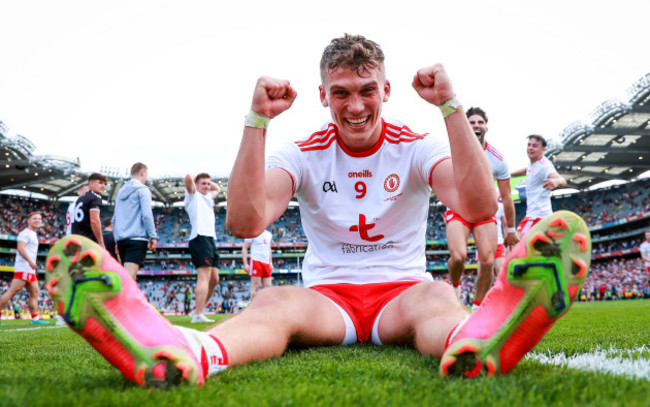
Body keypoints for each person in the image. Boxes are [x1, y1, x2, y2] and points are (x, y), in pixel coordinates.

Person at [44, 34, 592, 386]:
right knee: (276, 301)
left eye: (366, 90)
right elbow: (246, 222)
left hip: (401, 292)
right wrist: (257, 119)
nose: (355, 105)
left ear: (387, 89)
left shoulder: (417, 143)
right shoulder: (301, 151)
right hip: (326, 299)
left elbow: (476, 205)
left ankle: (479, 337)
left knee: (437, 295)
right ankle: (182, 349)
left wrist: (450, 105)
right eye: (341, 93)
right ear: (323, 95)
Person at [444, 107, 518, 311]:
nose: (476, 126)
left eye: (480, 122)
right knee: (458, 256)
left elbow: (507, 196)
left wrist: (511, 230)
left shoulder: (498, 159)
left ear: (486, 126)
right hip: (459, 209)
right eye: (471, 123)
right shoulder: (453, 150)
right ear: (465, 127)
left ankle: (477, 308)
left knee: (487, 261)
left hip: (485, 213)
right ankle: (456, 290)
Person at [511, 135, 567, 235]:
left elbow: (563, 180)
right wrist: (507, 175)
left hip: (536, 217)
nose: (530, 148)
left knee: (514, 243)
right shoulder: (533, 163)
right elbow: (527, 170)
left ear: (543, 149)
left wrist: (557, 181)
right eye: (529, 145)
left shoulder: (545, 165)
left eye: (535, 146)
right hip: (541, 216)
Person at [0, 212, 49, 325]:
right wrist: (31, 262)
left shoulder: (33, 234)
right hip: (23, 268)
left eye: (39, 219)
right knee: (12, 292)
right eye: (34, 218)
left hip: (30, 270)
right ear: (28, 221)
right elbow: (20, 248)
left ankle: (35, 318)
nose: (37, 220)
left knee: (35, 292)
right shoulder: (24, 233)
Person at [184, 172, 221, 323]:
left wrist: (207, 183)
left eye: (208, 183)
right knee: (204, 277)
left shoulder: (208, 197)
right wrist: (194, 180)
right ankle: (199, 314)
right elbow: (187, 178)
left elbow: (217, 188)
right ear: (196, 184)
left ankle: (197, 310)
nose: (207, 186)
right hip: (200, 237)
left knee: (214, 279)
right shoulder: (193, 196)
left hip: (211, 239)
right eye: (203, 183)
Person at [112, 162, 158, 280]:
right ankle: (119, 299)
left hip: (122, 240)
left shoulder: (120, 193)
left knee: (128, 277)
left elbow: (115, 219)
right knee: (128, 279)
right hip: (136, 240)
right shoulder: (143, 190)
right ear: (142, 172)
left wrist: (117, 240)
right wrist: (153, 236)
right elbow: (147, 215)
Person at [71, 173, 107, 247]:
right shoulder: (95, 197)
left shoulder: (81, 198)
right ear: (91, 184)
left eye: (104, 183)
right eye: (100, 183)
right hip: (88, 241)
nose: (103, 186)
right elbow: (94, 221)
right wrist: (101, 242)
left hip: (76, 239)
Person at [241, 229, 273, 301]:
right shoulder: (252, 232)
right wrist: (245, 264)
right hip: (256, 261)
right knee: (256, 285)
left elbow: (269, 249)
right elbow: (245, 248)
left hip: (266, 263)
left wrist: (271, 263)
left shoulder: (269, 234)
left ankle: (266, 308)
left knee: (268, 288)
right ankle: (253, 308)